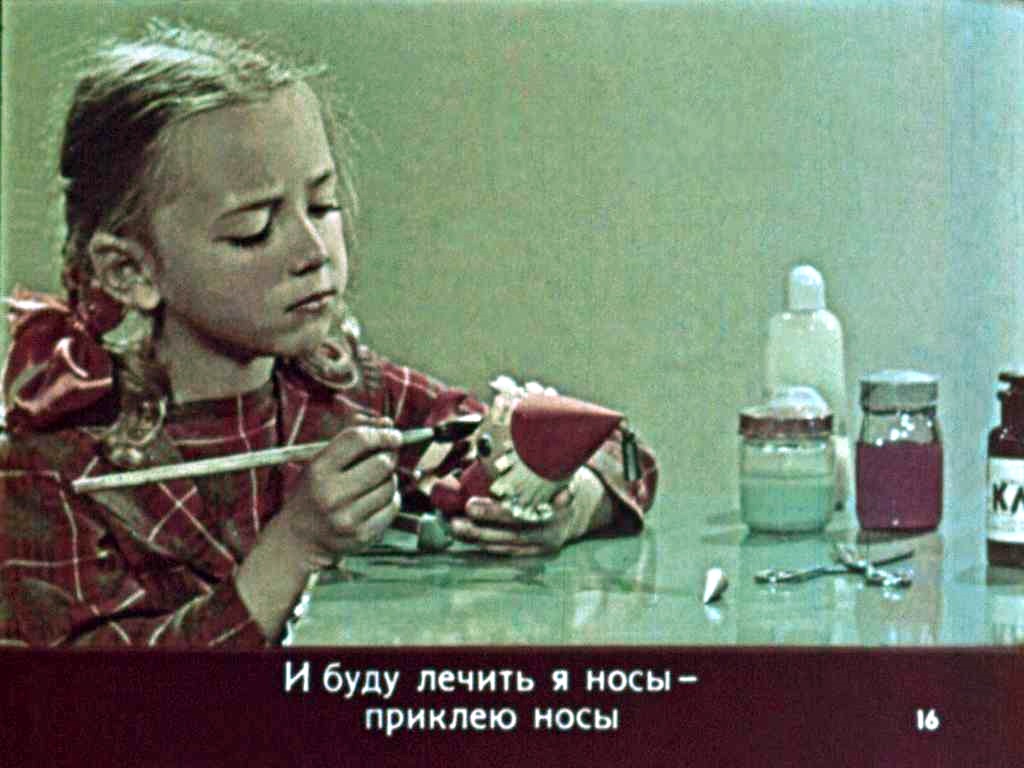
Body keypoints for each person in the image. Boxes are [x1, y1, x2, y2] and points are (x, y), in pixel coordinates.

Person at [0, 21, 658, 648]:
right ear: (131, 270)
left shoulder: (346, 393)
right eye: (255, 229)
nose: (313, 251)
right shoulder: (54, 465)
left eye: (322, 205)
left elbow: (618, 453)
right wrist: (293, 550)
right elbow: (87, 702)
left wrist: (563, 506)